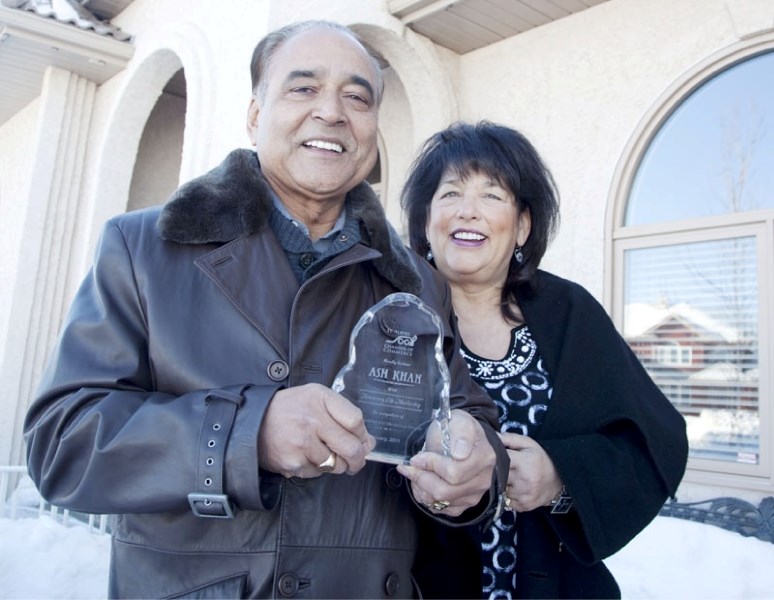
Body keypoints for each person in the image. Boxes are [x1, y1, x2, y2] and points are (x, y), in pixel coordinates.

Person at [23, 23, 509, 599]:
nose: (331, 112)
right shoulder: (145, 248)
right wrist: (246, 434)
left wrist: (478, 462)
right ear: (254, 114)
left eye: (357, 97)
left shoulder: (416, 282)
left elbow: (471, 417)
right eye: (303, 89)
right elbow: (63, 442)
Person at [402, 121, 689, 599]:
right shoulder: (391, 314)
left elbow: (654, 441)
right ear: (426, 220)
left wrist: (560, 478)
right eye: (450, 194)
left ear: (523, 226)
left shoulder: (567, 312)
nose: (468, 212)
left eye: (492, 196)